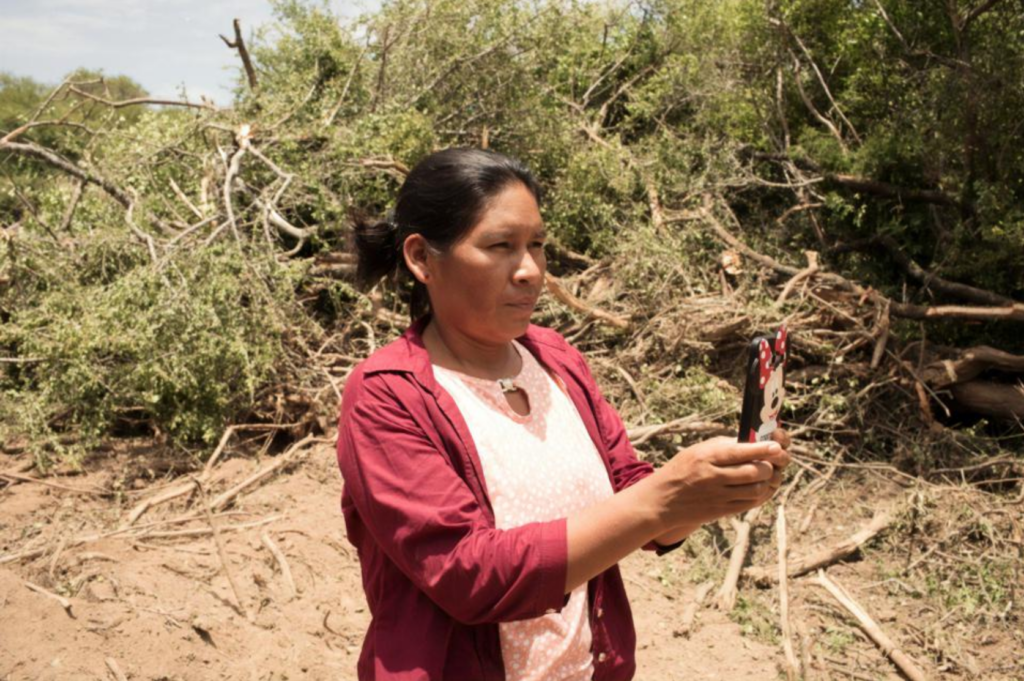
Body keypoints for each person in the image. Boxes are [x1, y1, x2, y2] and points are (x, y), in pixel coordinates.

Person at [336, 148, 792, 681]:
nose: (530, 271)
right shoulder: (388, 395)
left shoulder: (554, 359)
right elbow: (468, 573)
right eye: (501, 246)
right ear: (421, 259)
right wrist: (662, 498)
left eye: (537, 245)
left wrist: (710, 491)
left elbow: (630, 494)